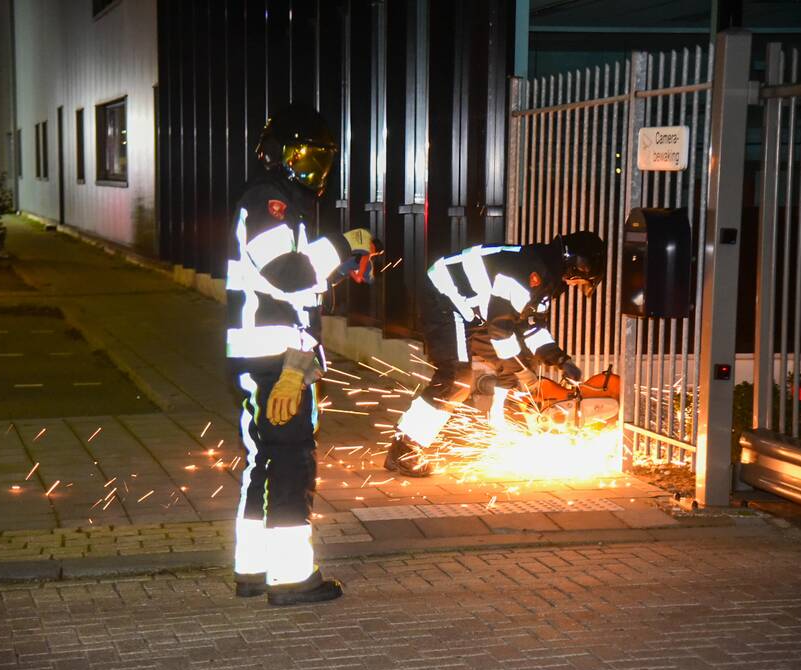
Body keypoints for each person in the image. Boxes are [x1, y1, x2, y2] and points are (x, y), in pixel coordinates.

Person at [227, 104, 380, 605]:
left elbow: (300, 283)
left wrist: (338, 264)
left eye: (319, 161)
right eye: (304, 158)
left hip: (269, 353)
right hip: (277, 357)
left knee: (263, 461)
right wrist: (340, 245)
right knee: (291, 461)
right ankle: (291, 576)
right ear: (277, 154)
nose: (313, 171)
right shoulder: (267, 202)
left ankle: (253, 568)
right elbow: (288, 274)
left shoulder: (278, 204)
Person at [385, 232, 607, 477]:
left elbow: (532, 327)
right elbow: (501, 332)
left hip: (475, 311)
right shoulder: (526, 274)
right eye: (581, 281)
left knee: (515, 363)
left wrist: (560, 359)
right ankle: (404, 447)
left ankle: (501, 427)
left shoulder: (543, 279)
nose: (577, 286)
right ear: (576, 266)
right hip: (444, 298)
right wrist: (523, 372)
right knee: (457, 378)